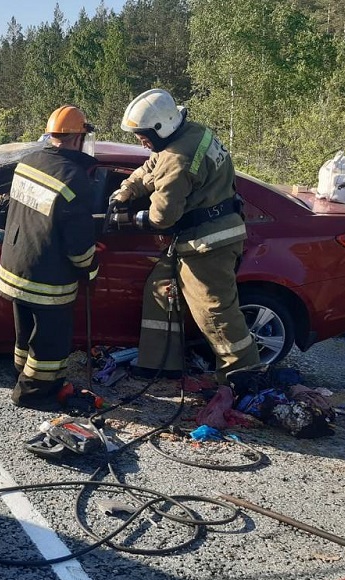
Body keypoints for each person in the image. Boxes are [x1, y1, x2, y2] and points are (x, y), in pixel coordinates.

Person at [109, 88, 260, 383]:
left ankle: (245, 379)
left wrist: (136, 219)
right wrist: (128, 188)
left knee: (215, 315)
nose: (140, 140)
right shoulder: (193, 133)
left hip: (209, 244)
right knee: (161, 288)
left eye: (143, 134)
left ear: (160, 128)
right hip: (202, 235)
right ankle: (161, 363)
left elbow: (163, 216)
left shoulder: (179, 158)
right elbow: (153, 166)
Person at [0, 105, 99, 409]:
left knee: (25, 332)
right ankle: (33, 393)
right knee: (50, 342)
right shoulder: (74, 177)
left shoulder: (28, 162)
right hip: (47, 278)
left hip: (15, 265)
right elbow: (78, 244)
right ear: (79, 138)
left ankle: (22, 375)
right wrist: (91, 267)